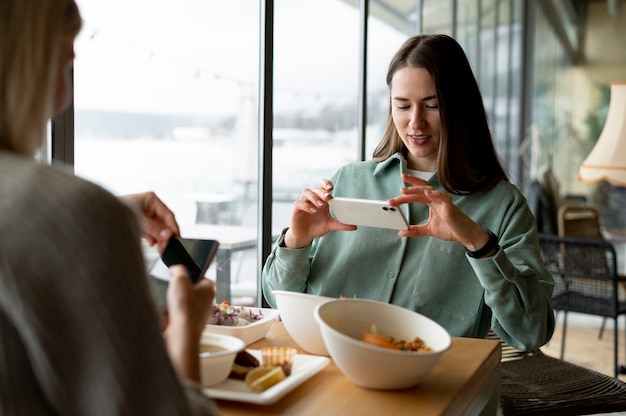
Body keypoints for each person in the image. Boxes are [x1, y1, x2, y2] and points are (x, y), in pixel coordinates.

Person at [262, 34, 555, 351]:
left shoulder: (502, 206)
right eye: (402, 105)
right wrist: (296, 241)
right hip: (326, 367)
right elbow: (276, 296)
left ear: (460, 106)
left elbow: (531, 332)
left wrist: (479, 244)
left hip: (429, 384)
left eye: (432, 105)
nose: (415, 122)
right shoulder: (347, 181)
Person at [0, 1, 219, 414]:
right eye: (66, 63)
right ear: (27, 63)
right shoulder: (78, 215)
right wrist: (185, 329)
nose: (63, 97)